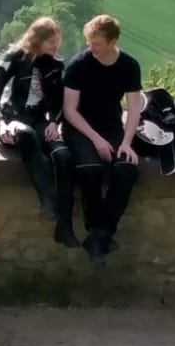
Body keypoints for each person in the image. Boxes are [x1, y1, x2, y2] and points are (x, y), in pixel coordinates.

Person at [0, 17, 77, 245]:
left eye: (57, 42)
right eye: (51, 42)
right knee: (27, 136)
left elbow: (59, 102)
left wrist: (54, 122)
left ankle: (65, 226)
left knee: (63, 155)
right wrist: (0, 122)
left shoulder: (56, 66)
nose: (55, 47)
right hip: (11, 118)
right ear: (37, 40)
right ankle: (48, 199)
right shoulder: (16, 57)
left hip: (38, 119)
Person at [61, 14, 143, 265]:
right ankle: (97, 233)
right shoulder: (79, 65)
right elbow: (69, 110)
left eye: (96, 43)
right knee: (90, 169)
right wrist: (96, 139)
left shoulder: (129, 65)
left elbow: (134, 108)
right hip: (80, 127)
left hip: (111, 126)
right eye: (89, 42)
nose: (91, 48)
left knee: (127, 169)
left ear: (113, 42)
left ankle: (101, 234)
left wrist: (127, 142)